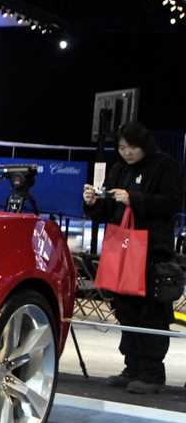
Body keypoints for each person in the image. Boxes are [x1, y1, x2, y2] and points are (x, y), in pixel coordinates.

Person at [83, 121, 184, 395]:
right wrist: (93, 202)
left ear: (144, 145)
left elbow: (172, 203)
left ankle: (152, 373)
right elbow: (107, 212)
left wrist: (134, 199)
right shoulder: (118, 168)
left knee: (151, 312)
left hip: (152, 251)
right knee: (125, 308)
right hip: (123, 250)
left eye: (132, 147)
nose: (126, 153)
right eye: (122, 147)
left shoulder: (165, 165)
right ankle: (131, 366)